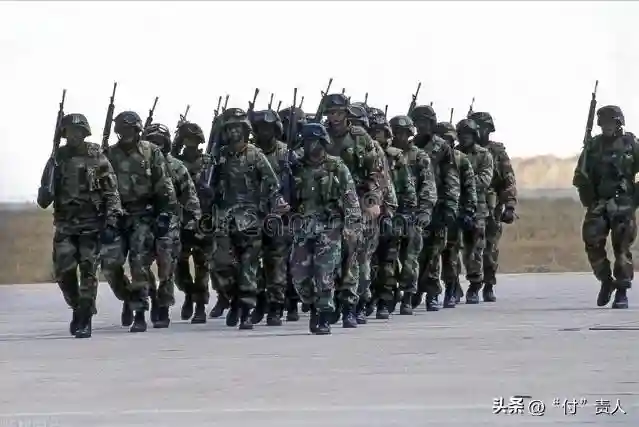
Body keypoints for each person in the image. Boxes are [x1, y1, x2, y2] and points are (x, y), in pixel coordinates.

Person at [37, 113, 122, 338]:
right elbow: (43, 199)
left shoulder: (97, 156)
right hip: (65, 225)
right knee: (63, 273)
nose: (74, 136)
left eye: (78, 132)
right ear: (64, 134)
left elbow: (111, 191)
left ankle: (85, 317)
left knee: (88, 272)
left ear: (85, 133)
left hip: (91, 224)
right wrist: (46, 188)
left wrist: (112, 220)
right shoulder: (57, 158)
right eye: (69, 132)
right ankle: (77, 305)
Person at [210, 108, 289, 330]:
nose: (234, 132)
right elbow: (209, 184)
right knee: (221, 264)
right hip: (224, 217)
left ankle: (245, 309)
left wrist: (277, 204)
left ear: (245, 130)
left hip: (250, 218)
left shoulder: (255, 155)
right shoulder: (219, 156)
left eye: (238, 127)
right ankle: (233, 297)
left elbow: (273, 185)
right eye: (230, 128)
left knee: (248, 265)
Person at [101, 111, 178, 333]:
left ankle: (140, 313)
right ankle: (130, 296)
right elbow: (101, 188)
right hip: (117, 217)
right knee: (109, 264)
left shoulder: (151, 152)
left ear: (137, 130)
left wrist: (165, 214)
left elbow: (164, 185)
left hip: (144, 216)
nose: (126, 134)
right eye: (122, 130)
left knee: (139, 263)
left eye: (130, 130)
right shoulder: (109, 155)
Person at [324, 93, 395, 326]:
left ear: (346, 113)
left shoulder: (360, 138)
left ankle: (354, 304)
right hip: (330, 205)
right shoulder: (321, 135)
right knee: (332, 258)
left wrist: (373, 202)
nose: (334, 117)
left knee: (358, 258)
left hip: (359, 204)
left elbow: (377, 174)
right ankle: (336, 301)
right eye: (330, 113)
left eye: (338, 112)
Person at [289, 123, 363, 334]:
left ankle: (324, 315)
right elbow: (284, 196)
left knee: (324, 272)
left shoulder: (337, 167)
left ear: (323, 143)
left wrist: (351, 227)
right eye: (307, 142)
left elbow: (351, 199)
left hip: (330, 227)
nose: (311, 146)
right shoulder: (295, 168)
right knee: (299, 275)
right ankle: (313, 304)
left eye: (315, 142)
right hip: (303, 228)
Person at [573, 105, 639, 309]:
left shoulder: (631, 144)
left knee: (622, 248)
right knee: (591, 241)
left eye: (611, 123)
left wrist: (636, 196)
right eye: (603, 124)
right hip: (599, 203)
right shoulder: (593, 146)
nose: (607, 127)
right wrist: (588, 197)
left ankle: (622, 291)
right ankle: (606, 280)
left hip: (623, 203)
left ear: (619, 123)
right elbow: (580, 176)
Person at [143, 123, 202, 327]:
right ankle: (151, 296)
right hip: (142, 221)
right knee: (140, 265)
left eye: (159, 142)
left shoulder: (176, 166)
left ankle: (164, 306)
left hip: (169, 222)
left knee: (167, 267)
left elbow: (190, 197)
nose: (156, 146)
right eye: (151, 142)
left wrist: (193, 223)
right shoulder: (138, 165)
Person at [409, 105, 460, 311]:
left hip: (437, 206)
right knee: (415, 252)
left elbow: (451, 177)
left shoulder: (442, 147)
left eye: (424, 122)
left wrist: (451, 204)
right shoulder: (410, 146)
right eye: (417, 122)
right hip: (414, 206)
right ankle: (414, 290)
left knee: (434, 252)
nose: (421, 126)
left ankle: (432, 293)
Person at [388, 115, 437, 314]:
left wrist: (425, 211)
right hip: (390, 213)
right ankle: (388, 294)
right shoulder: (386, 154)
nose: (400, 136)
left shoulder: (419, 156)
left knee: (410, 258)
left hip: (412, 213)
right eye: (396, 133)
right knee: (388, 257)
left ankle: (408, 295)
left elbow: (428, 186)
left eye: (404, 133)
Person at [250, 109, 293, 326]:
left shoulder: (286, 153)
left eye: (268, 128)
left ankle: (276, 306)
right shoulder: (248, 153)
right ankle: (259, 299)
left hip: (279, 217)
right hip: (252, 216)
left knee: (276, 263)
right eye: (260, 129)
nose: (264, 132)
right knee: (250, 262)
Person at [468, 112, 517, 301]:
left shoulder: (497, 151)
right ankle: (473, 284)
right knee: (471, 248)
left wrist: (510, 206)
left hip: (492, 207)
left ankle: (488, 284)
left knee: (490, 249)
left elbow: (508, 179)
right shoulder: (464, 150)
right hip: (469, 205)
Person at [173, 121, 215, 322]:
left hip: (204, 218)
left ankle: (200, 304)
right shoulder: (174, 163)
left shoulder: (208, 162)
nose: (190, 144)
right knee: (179, 264)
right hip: (181, 219)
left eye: (194, 140)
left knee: (202, 264)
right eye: (186, 140)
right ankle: (189, 293)